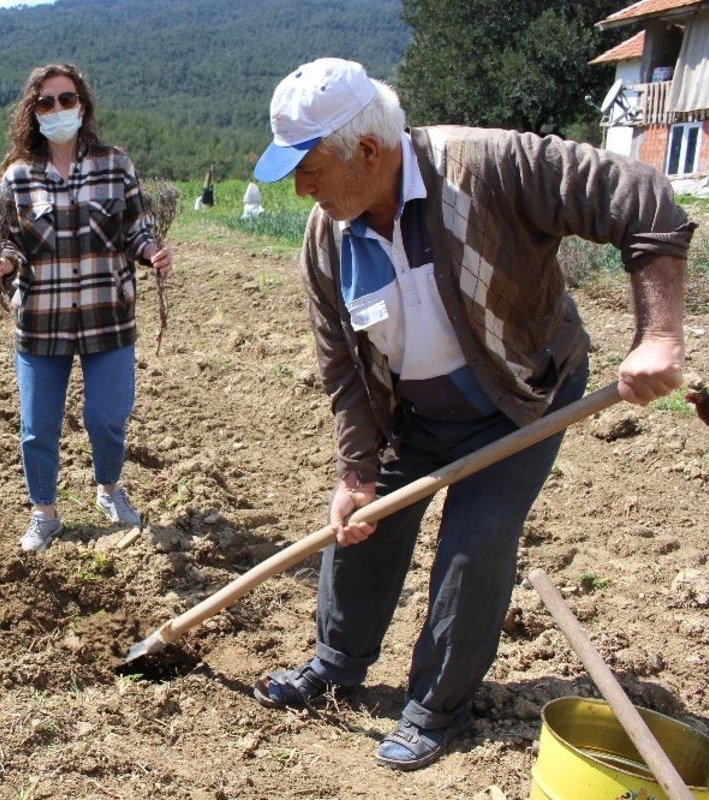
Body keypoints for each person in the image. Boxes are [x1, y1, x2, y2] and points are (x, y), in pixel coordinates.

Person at [250, 58, 690, 770]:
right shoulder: (326, 236)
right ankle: (335, 664)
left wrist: (659, 335)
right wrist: (357, 470)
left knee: (473, 545)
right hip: (411, 415)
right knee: (359, 529)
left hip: (521, 400)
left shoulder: (489, 168)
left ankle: (435, 707)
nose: (302, 188)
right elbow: (343, 365)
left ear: (368, 151)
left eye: (310, 169)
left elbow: (640, 196)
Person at [0, 63, 173, 553]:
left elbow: (136, 228)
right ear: (33, 113)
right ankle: (44, 514)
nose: (57, 109)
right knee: (37, 426)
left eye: (66, 99)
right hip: (42, 320)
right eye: (45, 102)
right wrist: (4, 263)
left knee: (107, 418)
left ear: (82, 105)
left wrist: (152, 251)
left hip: (106, 315)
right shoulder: (18, 177)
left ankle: (108, 489)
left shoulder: (115, 165)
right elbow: (10, 241)